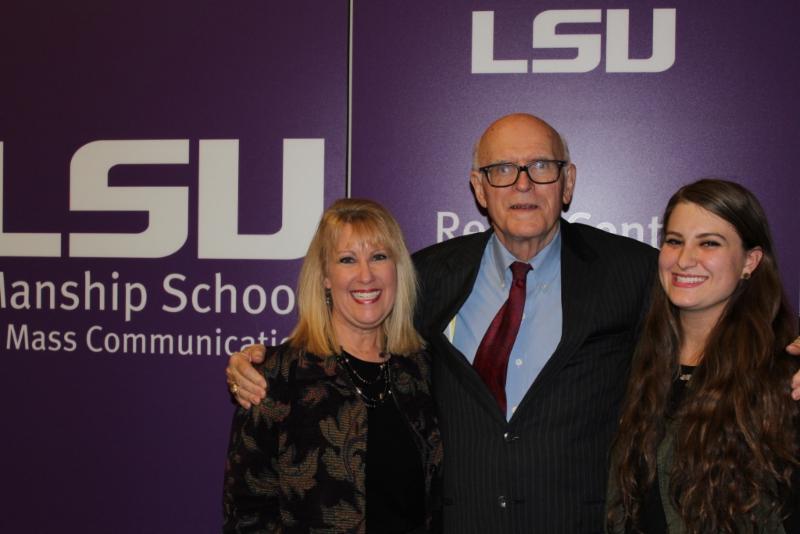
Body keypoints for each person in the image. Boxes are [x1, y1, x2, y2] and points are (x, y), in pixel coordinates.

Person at [226, 114, 800, 533]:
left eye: (541, 167)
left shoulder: (633, 271)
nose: (522, 183)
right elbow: (359, 324)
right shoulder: (427, 275)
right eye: (502, 169)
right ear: (478, 188)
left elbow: (718, 310)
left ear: (568, 182)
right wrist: (260, 362)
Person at [222, 198, 442, 534]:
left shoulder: (424, 372)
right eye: (347, 259)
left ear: (397, 269)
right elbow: (246, 515)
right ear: (325, 276)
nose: (366, 275)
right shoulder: (275, 377)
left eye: (379, 257)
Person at [606, 179, 799, 534]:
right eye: (674, 241)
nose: (684, 259)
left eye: (709, 243)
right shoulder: (635, 363)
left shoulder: (784, 373)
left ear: (750, 261)